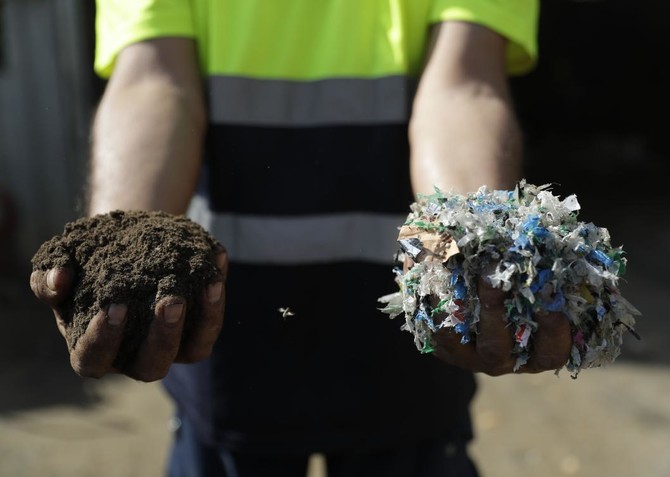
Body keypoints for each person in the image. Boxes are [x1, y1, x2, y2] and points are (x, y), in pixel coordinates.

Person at [31, 1, 572, 476]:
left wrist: (475, 244)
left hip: (412, 342)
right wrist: (123, 248)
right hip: (221, 338)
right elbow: (152, 77)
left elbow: (464, 83)